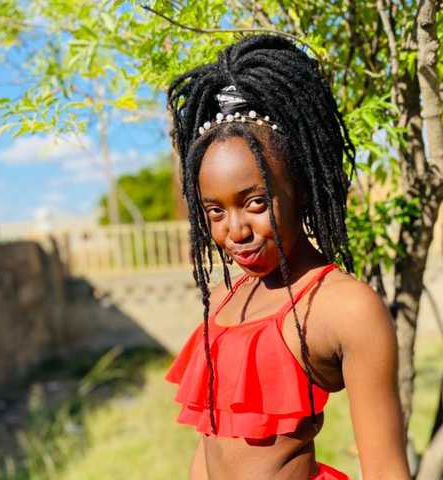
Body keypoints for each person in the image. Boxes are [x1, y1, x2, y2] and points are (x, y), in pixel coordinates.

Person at [165, 34, 410, 480]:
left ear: (301, 189)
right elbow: (209, 448)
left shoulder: (345, 307)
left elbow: (386, 470)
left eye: (256, 202)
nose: (236, 230)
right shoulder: (222, 301)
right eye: (215, 211)